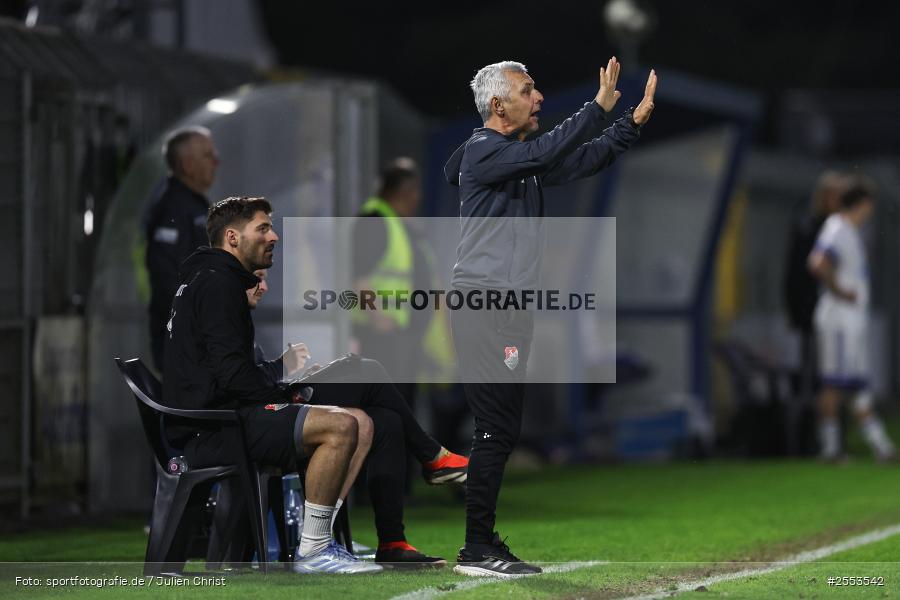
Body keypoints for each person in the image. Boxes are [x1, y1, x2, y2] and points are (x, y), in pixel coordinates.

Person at [442, 58, 657, 577]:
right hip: (484, 304)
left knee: (502, 428)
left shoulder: (512, 158)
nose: (537, 97)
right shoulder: (485, 149)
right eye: (527, 89)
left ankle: (475, 531)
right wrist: (599, 107)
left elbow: (579, 160)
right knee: (495, 428)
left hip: (508, 308)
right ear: (498, 105)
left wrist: (629, 124)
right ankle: (476, 546)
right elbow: (549, 149)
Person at [163, 196, 381, 574]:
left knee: (360, 422)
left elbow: (230, 370)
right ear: (232, 238)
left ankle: (317, 539)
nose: (274, 236)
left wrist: (281, 392)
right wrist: (282, 392)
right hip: (217, 429)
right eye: (262, 228)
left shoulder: (212, 279)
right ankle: (312, 553)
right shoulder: (217, 285)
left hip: (223, 418)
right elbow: (233, 376)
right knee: (342, 424)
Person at [249, 269, 468, 568]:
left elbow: (248, 377)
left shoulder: (233, 311)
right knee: (370, 371)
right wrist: (282, 371)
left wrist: (290, 375)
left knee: (386, 421)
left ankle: (392, 541)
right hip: (268, 413)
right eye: (256, 278)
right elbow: (239, 384)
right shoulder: (219, 301)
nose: (264, 286)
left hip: (277, 400)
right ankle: (431, 455)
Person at [807, 177, 896, 462]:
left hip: (852, 320)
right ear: (863, 204)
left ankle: (881, 447)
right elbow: (818, 262)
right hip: (838, 319)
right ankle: (830, 449)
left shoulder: (850, 232)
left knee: (857, 383)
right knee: (834, 383)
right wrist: (839, 291)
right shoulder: (838, 228)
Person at [144, 126, 219, 371]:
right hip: (186, 344)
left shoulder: (193, 204)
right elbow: (166, 275)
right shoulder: (174, 208)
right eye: (208, 155)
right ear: (187, 164)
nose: (216, 161)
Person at [784, 171, 847, 436]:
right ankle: (807, 439)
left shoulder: (843, 229)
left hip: (838, 317)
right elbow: (797, 274)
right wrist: (798, 313)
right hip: (812, 316)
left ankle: (834, 436)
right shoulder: (808, 227)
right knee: (813, 378)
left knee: (836, 378)